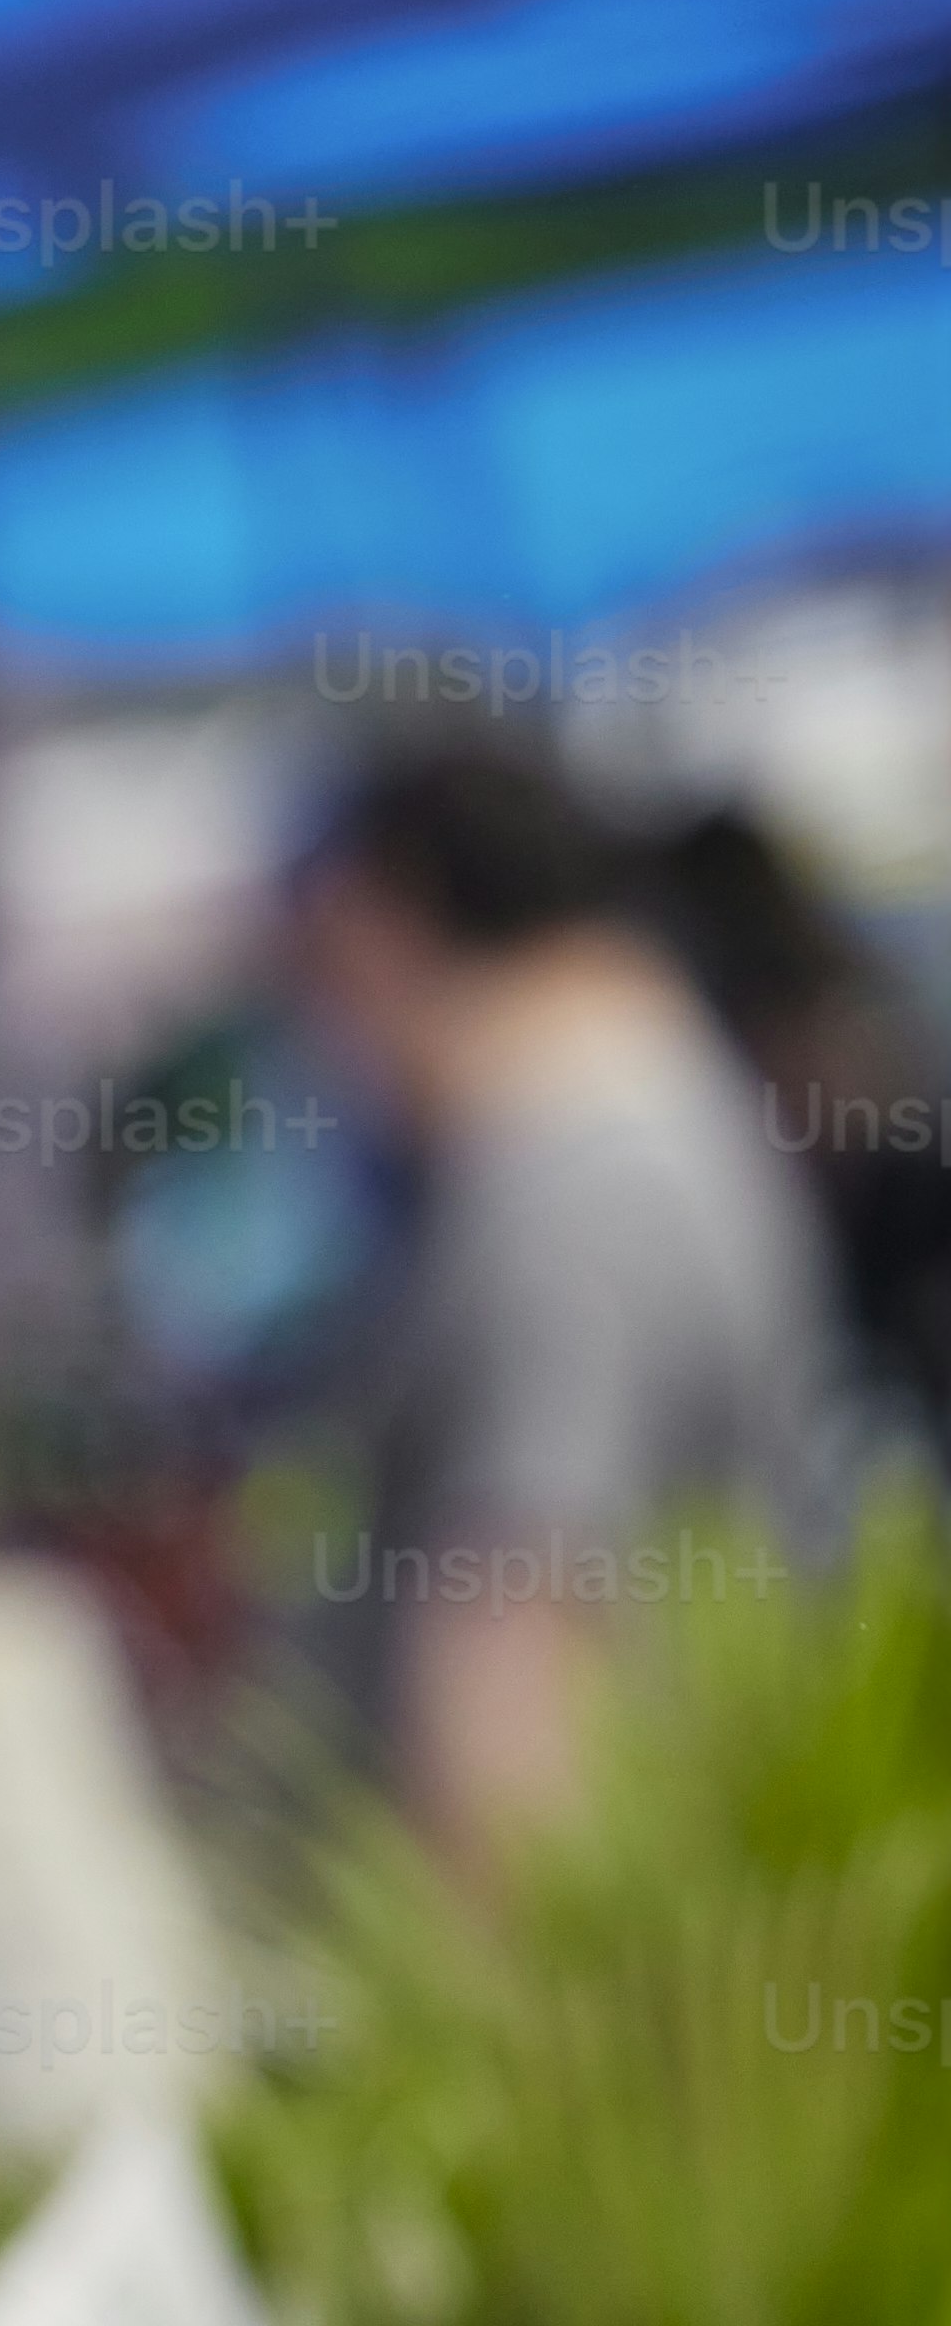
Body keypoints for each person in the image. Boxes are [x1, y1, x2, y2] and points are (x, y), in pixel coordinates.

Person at [289, 749, 842, 1859]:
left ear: (379, 929)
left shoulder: (565, 1200)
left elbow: (519, 1648)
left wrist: (478, 2020)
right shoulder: (656, 1117)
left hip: (590, 1966)